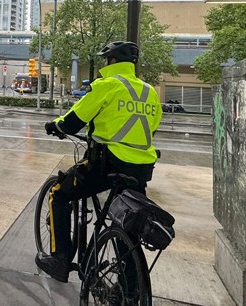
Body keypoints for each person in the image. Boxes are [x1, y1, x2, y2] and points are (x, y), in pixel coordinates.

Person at [35, 41, 162, 283]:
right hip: (141, 170)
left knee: (59, 194)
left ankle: (60, 259)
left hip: (106, 164)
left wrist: (56, 126)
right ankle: (131, 296)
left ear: (112, 62)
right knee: (127, 225)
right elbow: (151, 128)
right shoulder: (149, 92)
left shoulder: (106, 85)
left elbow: (73, 121)